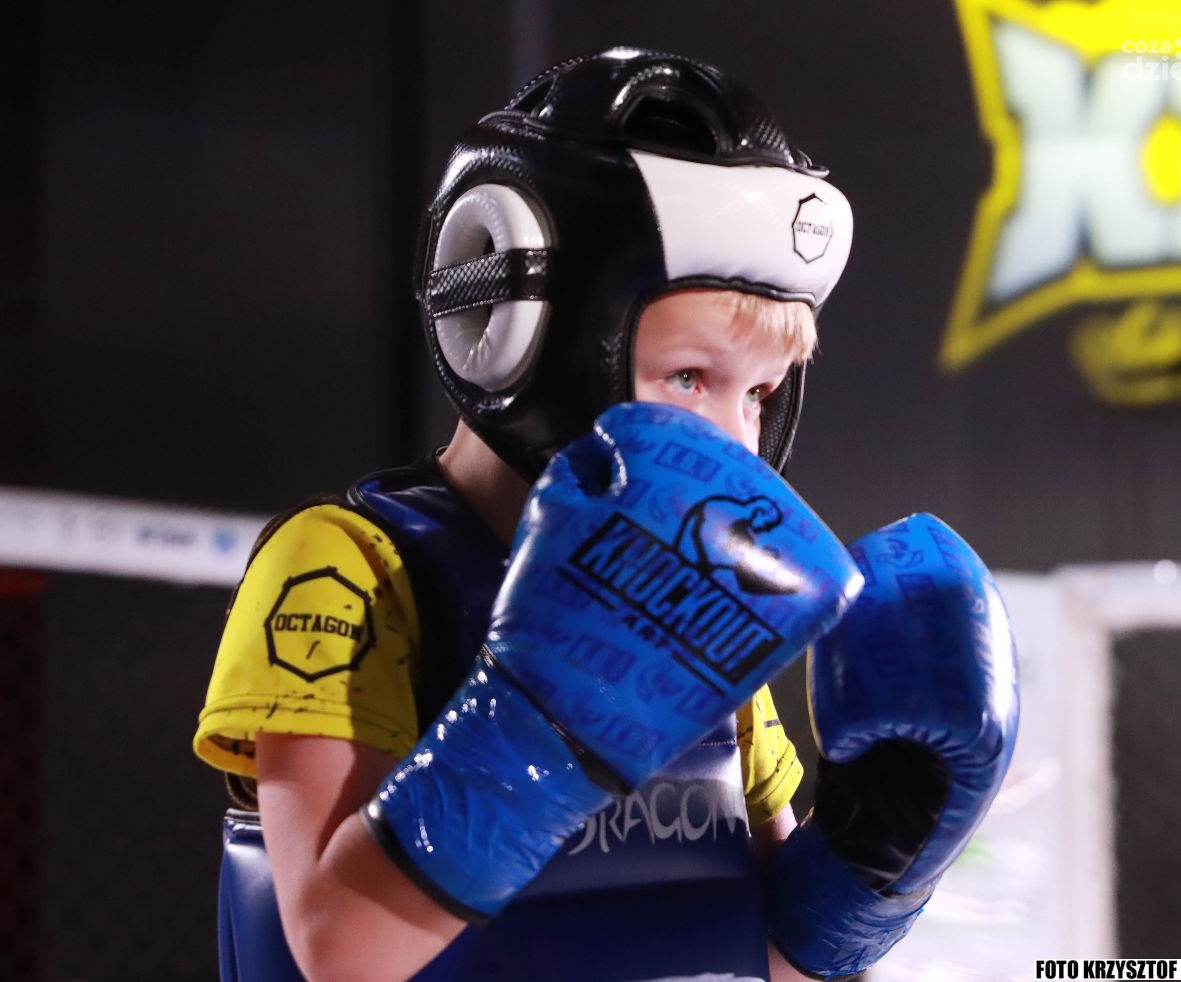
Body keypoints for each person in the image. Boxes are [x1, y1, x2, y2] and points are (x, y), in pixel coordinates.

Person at [194, 47, 1018, 982]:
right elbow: (339, 952)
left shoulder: (716, 602)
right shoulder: (351, 569)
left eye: (758, 392)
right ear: (510, 332)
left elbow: (761, 957)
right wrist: (558, 717)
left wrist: (875, 864)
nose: (732, 434)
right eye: (690, 376)